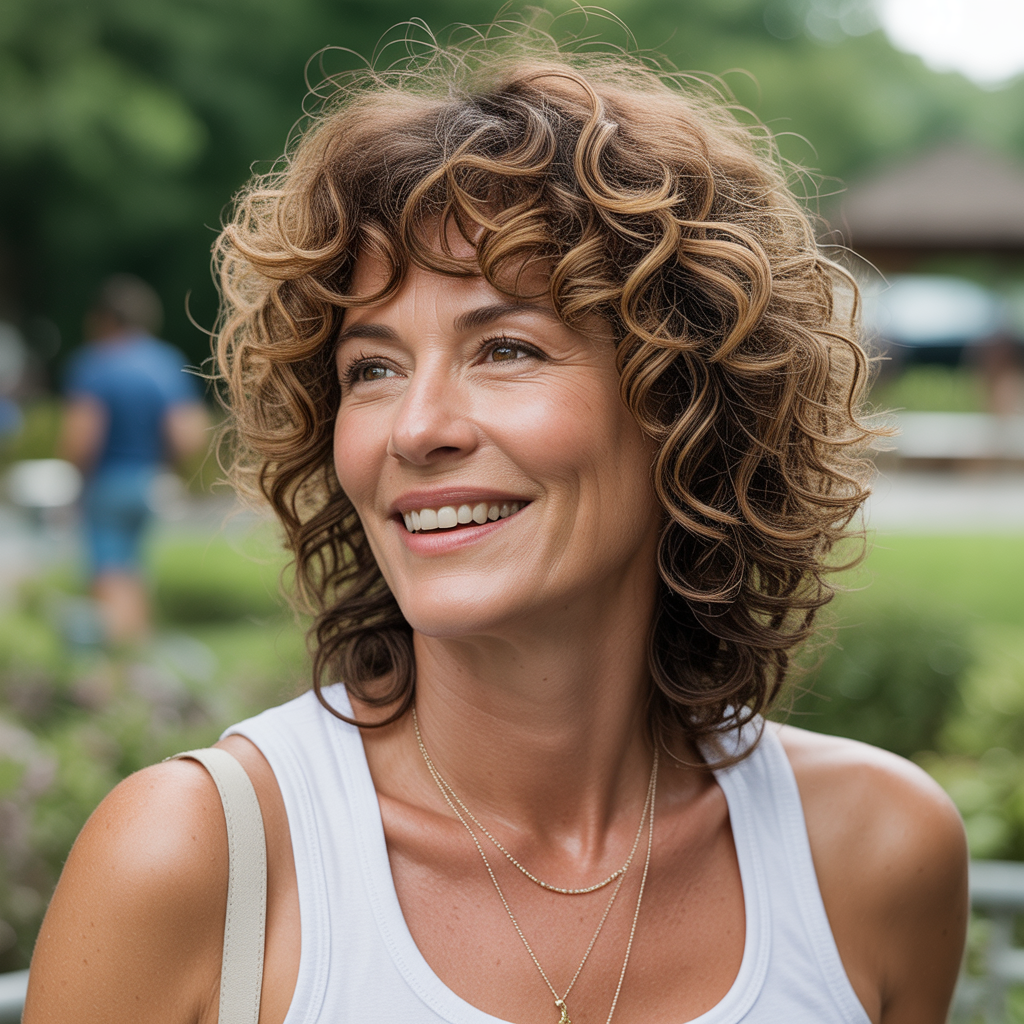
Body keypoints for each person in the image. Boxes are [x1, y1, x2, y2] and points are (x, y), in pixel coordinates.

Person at [26, 29, 968, 1024]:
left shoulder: (872, 854)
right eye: (373, 368)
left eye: (507, 348)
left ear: (685, 404)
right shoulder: (195, 859)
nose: (418, 428)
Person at [58, 274, 210, 641]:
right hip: (149, 480)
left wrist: (74, 479)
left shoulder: (94, 364)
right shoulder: (165, 362)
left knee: (109, 571)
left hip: (107, 481)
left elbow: (82, 438)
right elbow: (188, 434)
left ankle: (118, 662)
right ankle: (138, 654)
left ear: (104, 318)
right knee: (135, 571)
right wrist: (165, 463)